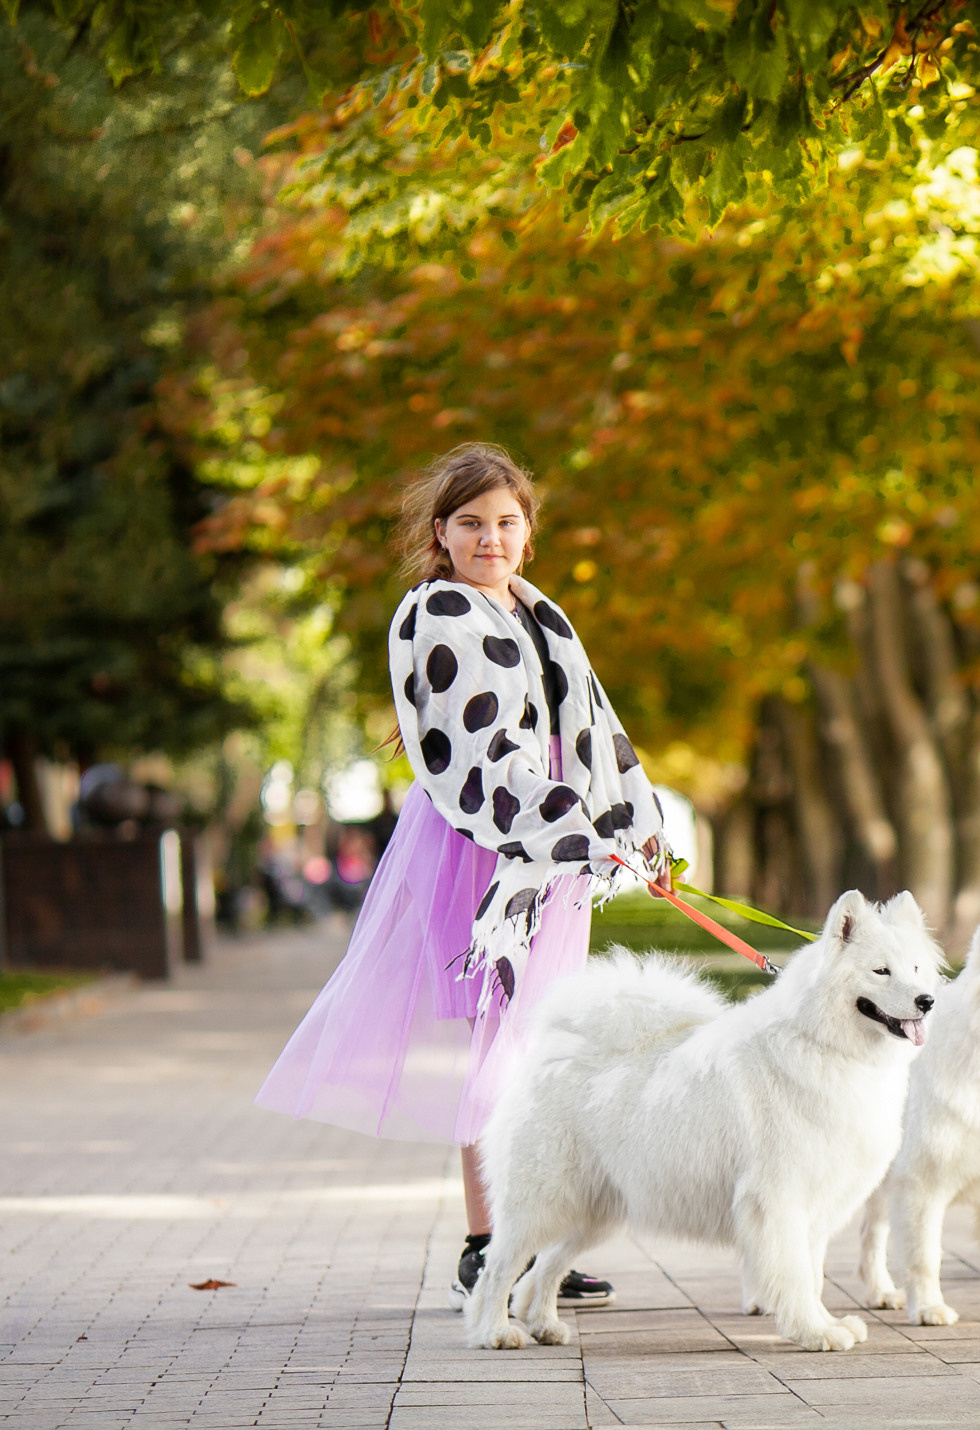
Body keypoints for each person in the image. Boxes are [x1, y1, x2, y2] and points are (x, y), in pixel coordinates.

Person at [256, 443, 674, 1311]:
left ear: (529, 535)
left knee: (539, 1044)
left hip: (549, 845)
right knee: (500, 1046)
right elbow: (484, 751)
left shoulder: (538, 616)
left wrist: (626, 830)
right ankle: (490, 1247)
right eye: (472, 524)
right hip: (483, 844)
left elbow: (594, 730)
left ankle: (530, 1240)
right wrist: (572, 822)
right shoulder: (439, 613)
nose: (491, 538)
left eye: (507, 523)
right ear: (440, 534)